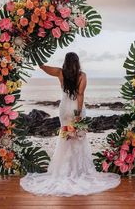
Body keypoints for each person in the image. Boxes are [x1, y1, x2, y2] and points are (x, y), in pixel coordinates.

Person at [20, 52, 120, 196]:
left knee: (64, 139)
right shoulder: (82, 76)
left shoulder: (60, 72)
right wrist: (78, 116)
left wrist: (36, 57)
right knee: (78, 139)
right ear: (77, 62)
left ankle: (62, 170)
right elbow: (80, 96)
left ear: (66, 62)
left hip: (64, 109)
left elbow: (44, 67)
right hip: (75, 108)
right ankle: (78, 171)